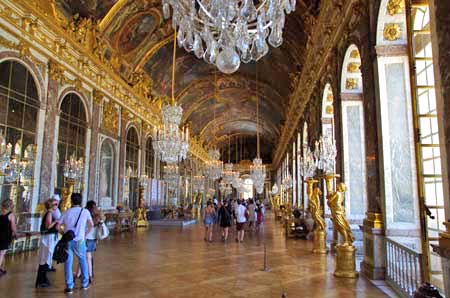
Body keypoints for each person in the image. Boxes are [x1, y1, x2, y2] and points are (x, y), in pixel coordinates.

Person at [59, 193, 93, 293]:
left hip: (68, 240)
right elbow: (91, 225)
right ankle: (84, 284)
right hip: (80, 240)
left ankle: (69, 286)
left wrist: (64, 234)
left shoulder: (66, 212)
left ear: (71, 200)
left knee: (68, 262)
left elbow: (57, 226)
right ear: (81, 201)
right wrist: (85, 235)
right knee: (83, 261)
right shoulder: (85, 212)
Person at [36, 198, 59, 288]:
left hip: (48, 237)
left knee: (45, 258)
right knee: (45, 258)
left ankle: (43, 279)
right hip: (48, 238)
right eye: (55, 204)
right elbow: (48, 226)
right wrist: (55, 221)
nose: (57, 206)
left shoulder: (49, 213)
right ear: (51, 206)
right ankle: (41, 280)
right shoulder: (49, 213)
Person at [77, 200, 102, 284]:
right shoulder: (97, 215)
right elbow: (97, 227)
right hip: (92, 238)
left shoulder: (86, 213)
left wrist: (84, 234)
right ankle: (85, 274)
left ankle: (84, 274)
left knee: (84, 256)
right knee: (87, 257)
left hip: (85, 237)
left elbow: (88, 226)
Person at [0, 199, 16, 278]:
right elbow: (13, 227)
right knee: (2, 254)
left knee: (2, 253)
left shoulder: (1, 213)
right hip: (5, 236)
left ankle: (1, 269)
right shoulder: (11, 215)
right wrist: (16, 234)